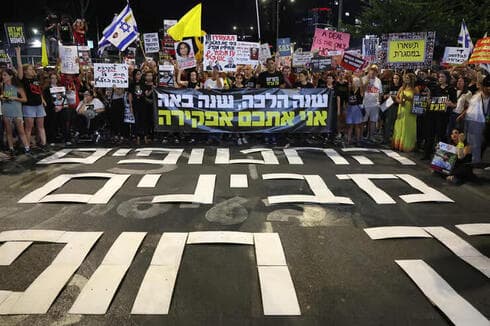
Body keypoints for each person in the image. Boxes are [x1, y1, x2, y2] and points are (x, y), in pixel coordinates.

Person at [15, 47, 47, 150]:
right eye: (30, 69)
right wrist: (18, 53)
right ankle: (27, 146)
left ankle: (44, 144)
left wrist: (42, 99)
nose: (32, 70)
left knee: (41, 126)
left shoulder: (35, 79)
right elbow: (19, 66)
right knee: (29, 128)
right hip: (29, 106)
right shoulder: (22, 80)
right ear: (24, 72)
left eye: (32, 69)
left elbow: (38, 91)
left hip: (39, 105)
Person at [422, 71, 457, 160]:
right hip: (432, 114)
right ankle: (427, 154)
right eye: (439, 77)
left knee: (441, 135)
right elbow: (430, 99)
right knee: (430, 135)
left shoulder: (451, 89)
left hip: (443, 116)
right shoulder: (435, 88)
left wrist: (450, 104)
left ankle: (442, 156)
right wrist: (429, 101)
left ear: (447, 78)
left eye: (442, 77)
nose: (440, 78)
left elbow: (455, 104)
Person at [1, 69, 30, 156]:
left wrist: (15, 98)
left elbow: (25, 99)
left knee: (21, 131)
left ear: (11, 76)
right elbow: (2, 95)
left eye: (5, 75)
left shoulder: (18, 87)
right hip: (6, 111)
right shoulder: (2, 86)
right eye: (2, 75)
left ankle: (27, 148)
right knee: (8, 131)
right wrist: (2, 97)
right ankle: (11, 149)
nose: (3, 77)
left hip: (17, 112)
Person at [463, 75, 490, 163]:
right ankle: (475, 163)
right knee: (476, 145)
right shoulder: (476, 97)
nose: (489, 89)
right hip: (477, 125)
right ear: (483, 87)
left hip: (486, 125)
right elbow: (470, 112)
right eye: (487, 86)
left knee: (482, 145)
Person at [392, 73, 417, 152]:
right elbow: (397, 97)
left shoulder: (415, 89)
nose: (406, 79)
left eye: (408, 78)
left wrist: (408, 99)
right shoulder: (402, 88)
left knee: (407, 127)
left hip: (410, 111)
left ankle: (407, 145)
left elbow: (417, 101)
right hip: (402, 109)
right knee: (399, 125)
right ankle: (398, 145)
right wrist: (400, 101)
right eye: (405, 78)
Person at [362, 65, 383, 142]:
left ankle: (371, 137)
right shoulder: (364, 79)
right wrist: (367, 80)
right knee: (363, 121)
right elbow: (362, 89)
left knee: (373, 121)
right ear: (369, 71)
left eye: (375, 71)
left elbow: (380, 93)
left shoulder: (378, 81)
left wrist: (379, 102)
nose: (373, 72)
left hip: (375, 105)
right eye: (372, 70)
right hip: (365, 104)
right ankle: (361, 136)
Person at [345, 76, 364, 145]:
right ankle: (348, 140)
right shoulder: (350, 90)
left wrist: (360, 77)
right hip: (350, 108)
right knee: (350, 126)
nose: (355, 83)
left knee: (357, 126)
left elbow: (362, 86)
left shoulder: (360, 90)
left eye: (356, 82)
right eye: (354, 81)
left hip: (357, 108)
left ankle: (358, 140)